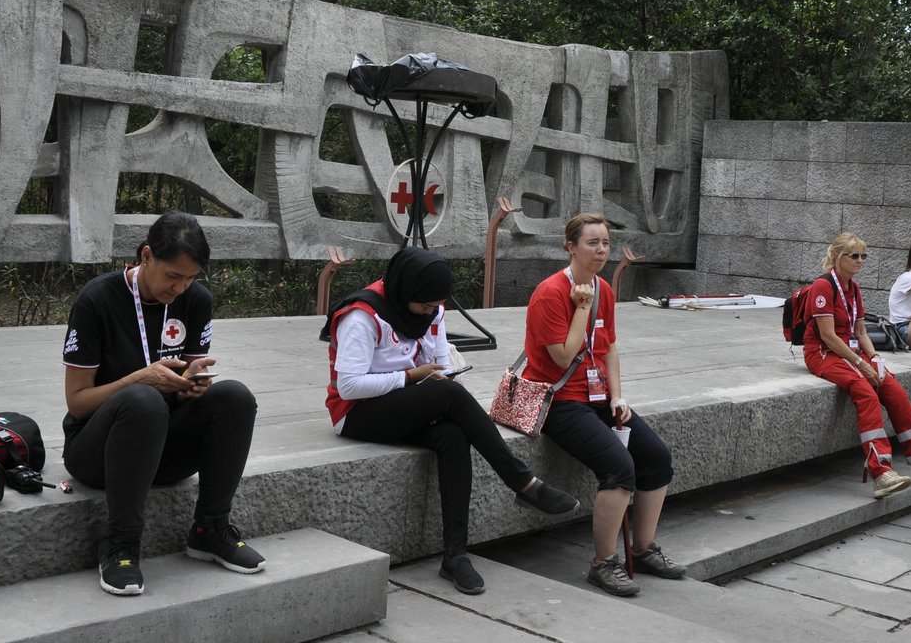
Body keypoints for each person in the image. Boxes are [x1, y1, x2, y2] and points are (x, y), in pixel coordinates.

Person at [325, 246, 579, 595]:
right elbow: (349, 387)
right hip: (357, 414)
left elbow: (442, 364)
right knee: (449, 397)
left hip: (408, 405)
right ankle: (521, 482)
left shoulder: (433, 309)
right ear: (405, 292)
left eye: (435, 308)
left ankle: (455, 556)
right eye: (424, 307)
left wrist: (442, 377)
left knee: (453, 436)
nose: (430, 314)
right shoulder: (363, 315)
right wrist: (413, 377)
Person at [61, 211, 265, 596]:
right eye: (174, 276)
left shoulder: (195, 301)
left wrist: (191, 384)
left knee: (235, 397)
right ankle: (120, 543)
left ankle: (210, 529)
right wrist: (141, 378)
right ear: (147, 256)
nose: (181, 288)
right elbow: (77, 403)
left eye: (191, 278)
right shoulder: (97, 299)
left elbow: (183, 379)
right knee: (142, 399)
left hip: (161, 449)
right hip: (98, 452)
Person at [524, 213, 681, 597]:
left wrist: (618, 395)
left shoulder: (604, 290)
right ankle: (603, 563)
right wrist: (581, 306)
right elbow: (562, 357)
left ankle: (642, 549)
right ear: (570, 247)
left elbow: (608, 346)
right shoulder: (549, 293)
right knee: (618, 466)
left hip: (596, 397)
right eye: (592, 242)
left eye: (606, 243)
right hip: (558, 400)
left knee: (657, 456)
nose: (601, 250)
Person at [802, 233, 911, 498]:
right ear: (837, 257)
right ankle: (881, 472)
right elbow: (828, 336)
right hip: (823, 352)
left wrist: (874, 359)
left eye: (863, 256)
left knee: (893, 388)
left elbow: (861, 331)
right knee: (864, 390)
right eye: (854, 256)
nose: (860, 261)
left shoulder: (852, 287)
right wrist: (859, 364)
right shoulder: (823, 286)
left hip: (848, 351)